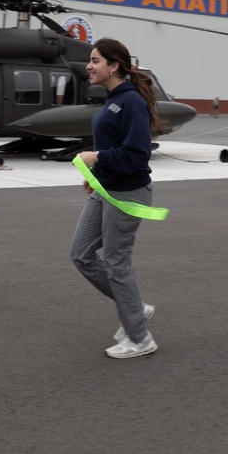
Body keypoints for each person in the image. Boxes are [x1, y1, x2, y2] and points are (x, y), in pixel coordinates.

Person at [72, 38, 162, 359]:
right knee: (81, 254)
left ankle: (139, 339)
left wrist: (95, 157)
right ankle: (135, 307)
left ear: (114, 66)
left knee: (116, 261)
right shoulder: (113, 99)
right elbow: (115, 148)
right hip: (106, 188)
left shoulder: (131, 102)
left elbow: (137, 154)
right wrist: (94, 176)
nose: (89, 66)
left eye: (95, 60)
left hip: (128, 194)